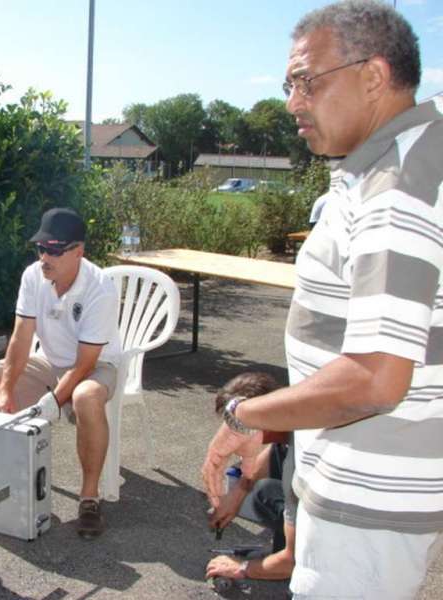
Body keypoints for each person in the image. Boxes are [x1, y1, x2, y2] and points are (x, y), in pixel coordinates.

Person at [202, 2, 443, 598]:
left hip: (368, 495)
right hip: (360, 476)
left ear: (373, 76)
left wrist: (243, 417)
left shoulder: (396, 186)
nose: (291, 102)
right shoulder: (382, 166)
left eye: (306, 81)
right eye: (289, 84)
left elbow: (373, 379)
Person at [0, 207, 121, 539]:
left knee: (85, 396)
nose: (44, 257)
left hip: (97, 366)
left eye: (54, 250)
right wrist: (6, 389)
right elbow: (21, 338)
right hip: (50, 362)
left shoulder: (101, 288)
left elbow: (84, 364)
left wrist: (53, 401)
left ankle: (90, 498)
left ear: (78, 251)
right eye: (40, 248)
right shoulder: (33, 276)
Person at [205, 373, 297, 584]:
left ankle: (282, 557)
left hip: (335, 546)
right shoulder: (290, 423)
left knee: (265, 493)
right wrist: (235, 497)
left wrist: (243, 568)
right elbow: (274, 452)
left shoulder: (301, 457)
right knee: (262, 480)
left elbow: (292, 561)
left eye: (239, 429)